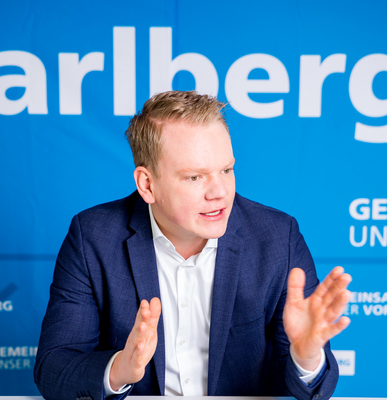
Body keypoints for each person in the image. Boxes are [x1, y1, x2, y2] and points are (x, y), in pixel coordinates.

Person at [34, 91, 351, 400]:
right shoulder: (93, 237)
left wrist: (307, 357)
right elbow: (53, 368)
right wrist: (119, 369)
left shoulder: (278, 237)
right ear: (148, 184)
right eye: (195, 177)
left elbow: (309, 387)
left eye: (226, 170)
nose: (219, 192)